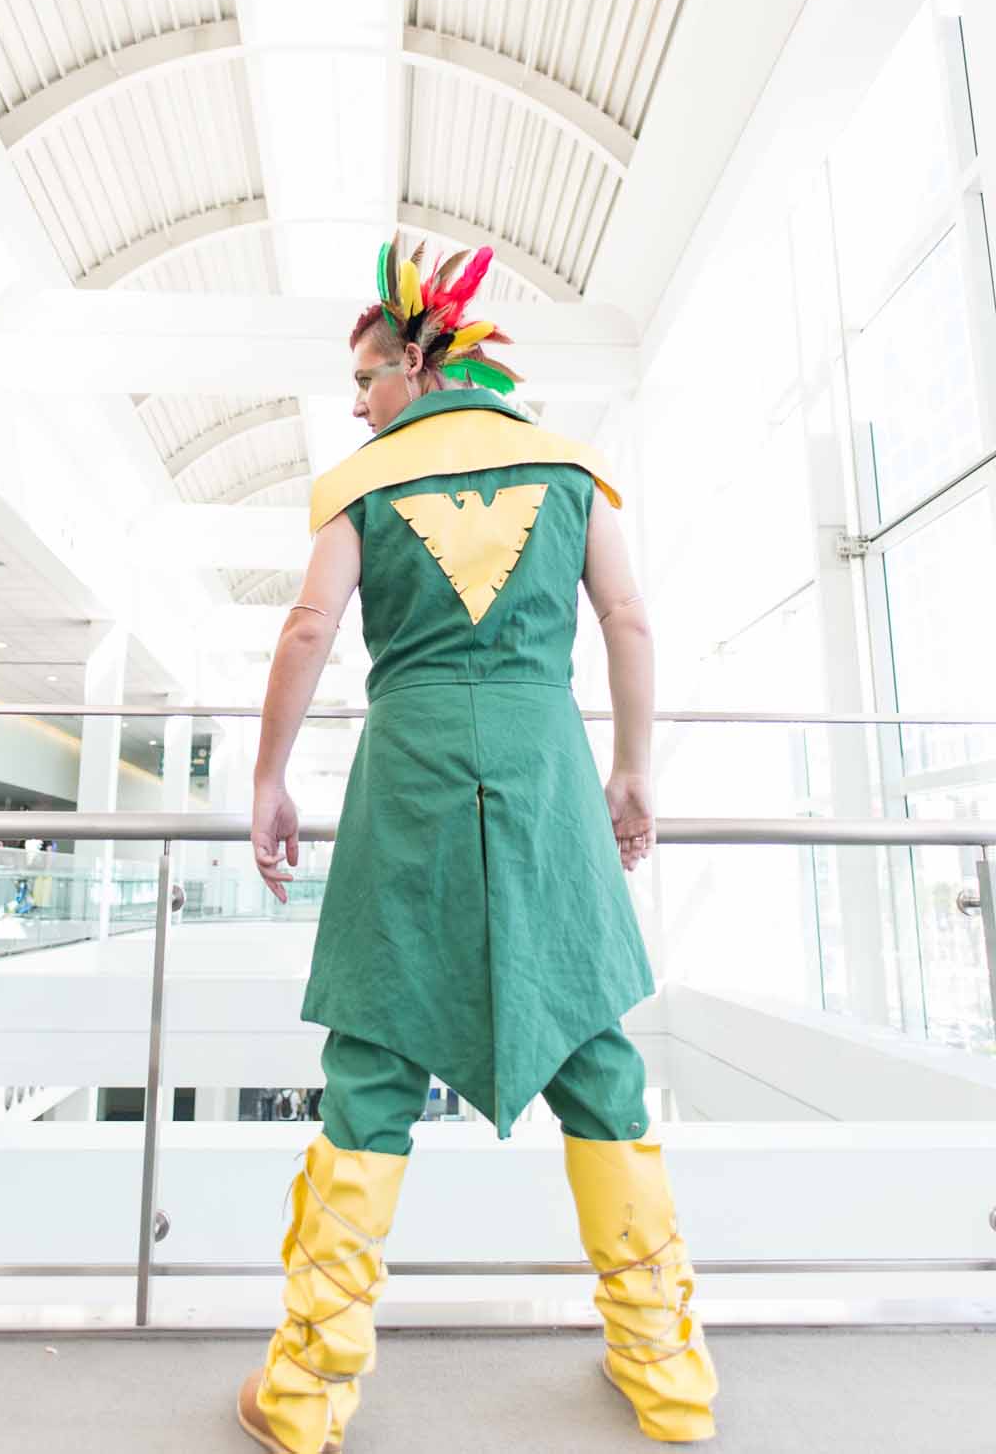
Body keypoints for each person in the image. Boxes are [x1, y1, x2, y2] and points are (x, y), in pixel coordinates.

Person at [235, 235, 718, 1452]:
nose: (356, 403)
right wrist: (630, 770)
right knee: (593, 1048)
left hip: (409, 778)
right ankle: (665, 1376)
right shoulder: (569, 469)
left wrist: (268, 778)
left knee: (375, 1058)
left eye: (365, 378)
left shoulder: (360, 484)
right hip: (546, 771)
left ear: (416, 363)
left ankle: (305, 1392)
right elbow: (627, 620)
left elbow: (306, 630)